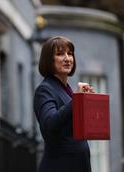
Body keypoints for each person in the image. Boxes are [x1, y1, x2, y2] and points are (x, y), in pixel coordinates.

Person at [34, 36, 94, 172]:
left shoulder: (66, 90)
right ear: (49, 60)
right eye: (60, 54)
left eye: (70, 54)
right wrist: (77, 100)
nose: (67, 58)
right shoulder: (45, 90)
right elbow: (50, 124)